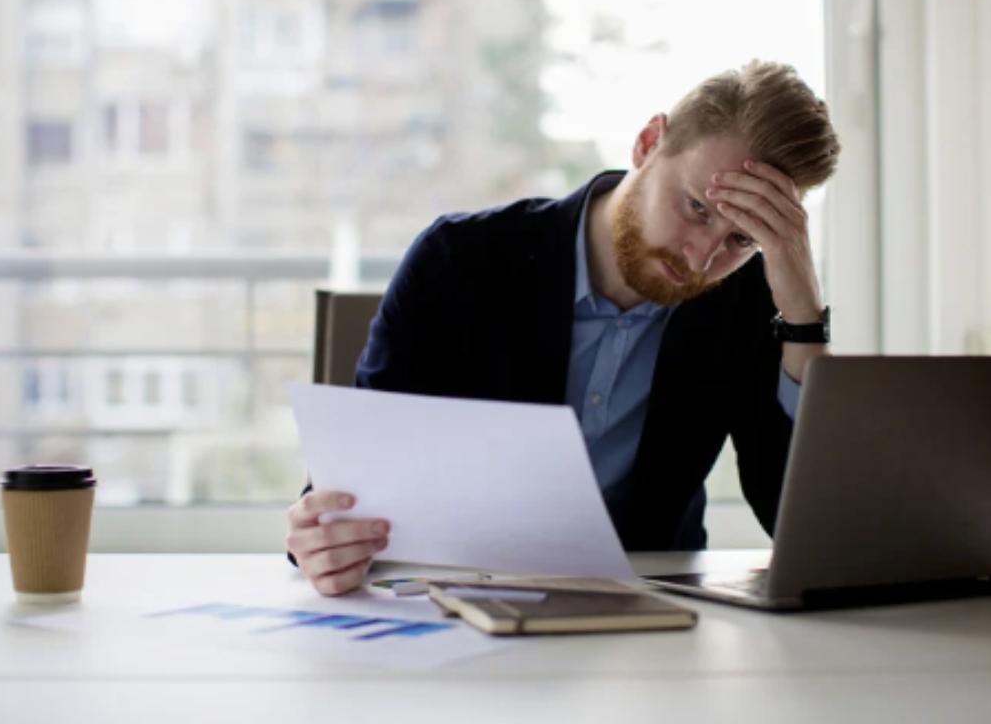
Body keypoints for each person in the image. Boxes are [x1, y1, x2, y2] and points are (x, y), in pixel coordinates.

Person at [286, 61, 841, 596]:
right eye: (697, 206)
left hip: (646, 622)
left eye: (741, 240)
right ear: (648, 144)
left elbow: (808, 533)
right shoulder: (458, 260)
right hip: (456, 598)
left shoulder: (742, 304)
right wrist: (322, 535)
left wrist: (802, 317)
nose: (702, 258)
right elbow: (359, 481)